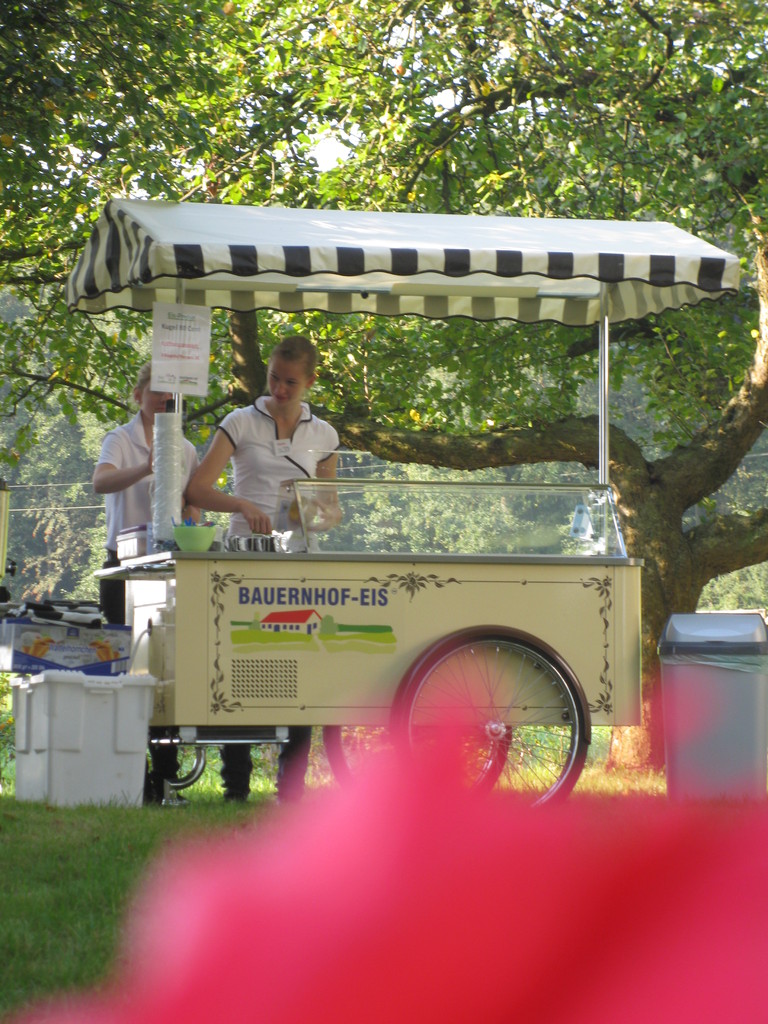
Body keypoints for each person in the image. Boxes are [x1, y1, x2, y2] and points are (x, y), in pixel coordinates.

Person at [186, 334, 339, 802]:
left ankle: (291, 786)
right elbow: (196, 491)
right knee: (239, 663)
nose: (280, 389)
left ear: (311, 381)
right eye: (274, 378)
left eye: (291, 382)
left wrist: (303, 507)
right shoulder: (239, 422)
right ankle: (236, 785)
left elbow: (330, 513)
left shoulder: (324, 435)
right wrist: (242, 503)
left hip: (297, 563)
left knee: (300, 666)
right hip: (243, 559)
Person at [93, 362, 200, 804]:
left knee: (167, 673)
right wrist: (146, 467)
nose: (162, 400)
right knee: (125, 672)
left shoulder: (187, 449)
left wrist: (196, 529)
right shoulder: (120, 439)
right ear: (138, 395)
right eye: (155, 391)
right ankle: (130, 774)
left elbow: (191, 504)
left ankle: (168, 776)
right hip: (124, 568)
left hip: (168, 570)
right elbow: (100, 482)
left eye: (170, 394)